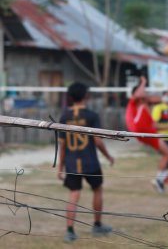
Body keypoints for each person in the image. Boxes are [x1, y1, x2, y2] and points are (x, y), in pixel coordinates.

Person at [58, 82, 114, 242]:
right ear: (86, 96)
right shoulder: (91, 116)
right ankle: (97, 225)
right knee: (97, 190)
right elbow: (98, 141)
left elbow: (62, 145)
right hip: (90, 162)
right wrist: (108, 156)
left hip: (72, 163)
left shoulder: (64, 117)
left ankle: (70, 231)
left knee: (73, 194)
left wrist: (60, 167)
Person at [125, 76, 168, 193]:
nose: (145, 93)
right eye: (144, 91)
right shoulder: (134, 102)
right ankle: (159, 180)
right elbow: (140, 95)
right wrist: (143, 82)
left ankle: (159, 180)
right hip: (140, 131)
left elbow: (155, 126)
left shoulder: (145, 109)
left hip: (146, 133)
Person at [152, 91, 168, 183]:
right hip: (163, 138)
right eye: (166, 95)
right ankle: (159, 178)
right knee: (167, 156)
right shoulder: (158, 108)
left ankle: (164, 176)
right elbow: (154, 125)